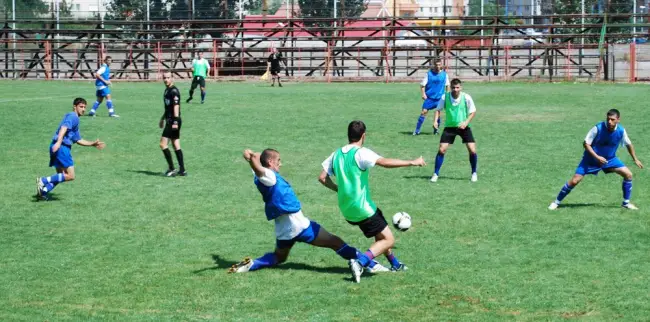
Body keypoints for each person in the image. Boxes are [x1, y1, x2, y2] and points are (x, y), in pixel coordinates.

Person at [229, 148, 390, 274]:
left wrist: (250, 155)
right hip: (298, 225)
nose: (281, 163)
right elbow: (258, 167)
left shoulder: (259, 177)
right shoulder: (268, 176)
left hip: (282, 229)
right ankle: (368, 263)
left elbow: (258, 162)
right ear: (270, 162)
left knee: (279, 257)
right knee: (335, 242)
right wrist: (251, 159)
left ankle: (252, 265)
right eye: (278, 160)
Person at [319, 120, 426, 283]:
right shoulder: (361, 153)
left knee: (381, 232)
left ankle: (395, 264)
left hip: (347, 209)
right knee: (389, 239)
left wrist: (337, 189)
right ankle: (360, 262)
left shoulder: (336, 154)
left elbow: (322, 177)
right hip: (363, 208)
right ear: (363, 135)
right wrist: (412, 162)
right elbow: (385, 162)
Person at [549, 109, 644, 210]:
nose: (609, 122)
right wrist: (597, 157)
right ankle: (556, 202)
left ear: (618, 120)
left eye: (612, 119)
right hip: (590, 160)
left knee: (628, 174)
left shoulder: (621, 131)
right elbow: (586, 144)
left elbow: (629, 144)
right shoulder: (597, 128)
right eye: (608, 119)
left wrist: (635, 159)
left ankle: (626, 203)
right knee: (575, 180)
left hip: (609, 160)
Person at [36, 98, 106, 200]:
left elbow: (78, 139)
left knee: (61, 175)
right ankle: (43, 181)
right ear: (75, 107)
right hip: (61, 148)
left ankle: (43, 192)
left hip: (56, 146)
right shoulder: (73, 116)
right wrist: (59, 143)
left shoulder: (75, 121)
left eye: (85, 107)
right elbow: (63, 128)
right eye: (81, 107)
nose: (83, 109)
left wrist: (92, 144)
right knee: (71, 176)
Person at [429, 78, 478, 183]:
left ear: (461, 87)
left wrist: (465, 122)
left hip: (464, 127)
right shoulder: (445, 97)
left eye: (457, 87)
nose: (455, 89)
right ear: (450, 87)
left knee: (472, 150)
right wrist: (435, 121)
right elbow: (438, 110)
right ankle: (435, 174)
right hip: (450, 127)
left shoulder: (466, 97)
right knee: (442, 149)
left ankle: (474, 173)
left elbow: (473, 111)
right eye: (453, 87)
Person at [159, 72, 186, 177]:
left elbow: (176, 107)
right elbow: (168, 108)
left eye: (168, 78)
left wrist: (174, 121)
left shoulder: (174, 91)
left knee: (163, 144)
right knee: (176, 145)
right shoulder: (167, 90)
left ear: (172, 78)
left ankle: (172, 168)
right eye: (164, 78)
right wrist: (162, 119)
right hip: (170, 120)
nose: (166, 80)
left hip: (173, 121)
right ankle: (182, 170)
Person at [414, 59, 449, 136]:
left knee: (438, 113)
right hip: (430, 98)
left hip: (439, 98)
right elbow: (422, 85)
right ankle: (417, 130)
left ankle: (436, 131)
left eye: (439, 64)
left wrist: (447, 95)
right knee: (424, 112)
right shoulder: (429, 74)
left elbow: (447, 86)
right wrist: (423, 94)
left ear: (441, 65)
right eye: (436, 65)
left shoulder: (444, 75)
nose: (438, 66)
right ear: (434, 65)